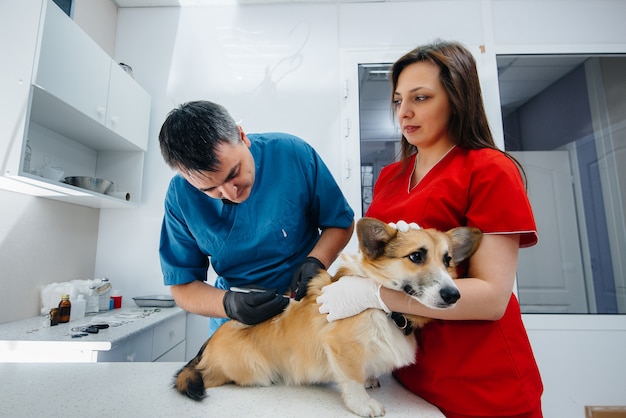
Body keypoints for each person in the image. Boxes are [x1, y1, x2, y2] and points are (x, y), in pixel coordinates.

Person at [316, 40, 543, 418]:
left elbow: (491, 298)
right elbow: (380, 263)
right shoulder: (391, 177)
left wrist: (373, 294)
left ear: (457, 99)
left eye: (420, 98)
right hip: (412, 377)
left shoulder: (489, 170)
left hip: (481, 382)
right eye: (398, 100)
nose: (404, 112)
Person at [159, 100, 354, 336]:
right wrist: (228, 304)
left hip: (304, 309)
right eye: (211, 190)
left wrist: (317, 261)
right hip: (237, 324)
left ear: (242, 136)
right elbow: (182, 286)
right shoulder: (180, 196)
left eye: (234, 173)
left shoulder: (292, 154)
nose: (231, 194)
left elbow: (340, 221)